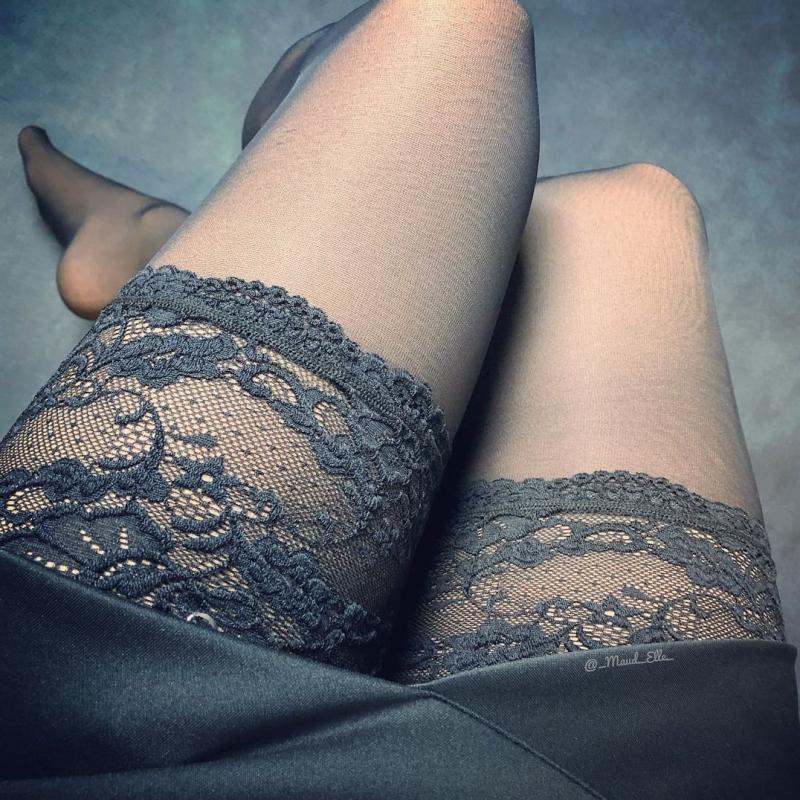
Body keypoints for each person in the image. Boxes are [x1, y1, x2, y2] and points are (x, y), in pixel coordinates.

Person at [1, 1, 797, 796]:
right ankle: (179, 232)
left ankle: (201, 213)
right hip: (598, 771)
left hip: (107, 722)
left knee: (447, 28)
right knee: (629, 215)